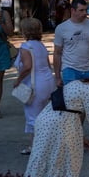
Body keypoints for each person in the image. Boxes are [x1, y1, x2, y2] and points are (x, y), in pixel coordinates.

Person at [12, 17, 56, 154]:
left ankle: (37, 147)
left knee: (33, 116)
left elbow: (27, 66)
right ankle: (44, 144)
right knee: (45, 114)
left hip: (35, 84)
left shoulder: (26, 47)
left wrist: (18, 80)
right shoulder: (41, 45)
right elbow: (48, 65)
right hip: (48, 81)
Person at [53, 0, 89, 86]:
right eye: (81, 10)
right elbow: (57, 53)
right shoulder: (61, 28)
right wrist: (57, 77)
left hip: (88, 68)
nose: (85, 13)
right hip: (69, 68)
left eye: (86, 10)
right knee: (72, 98)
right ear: (73, 10)